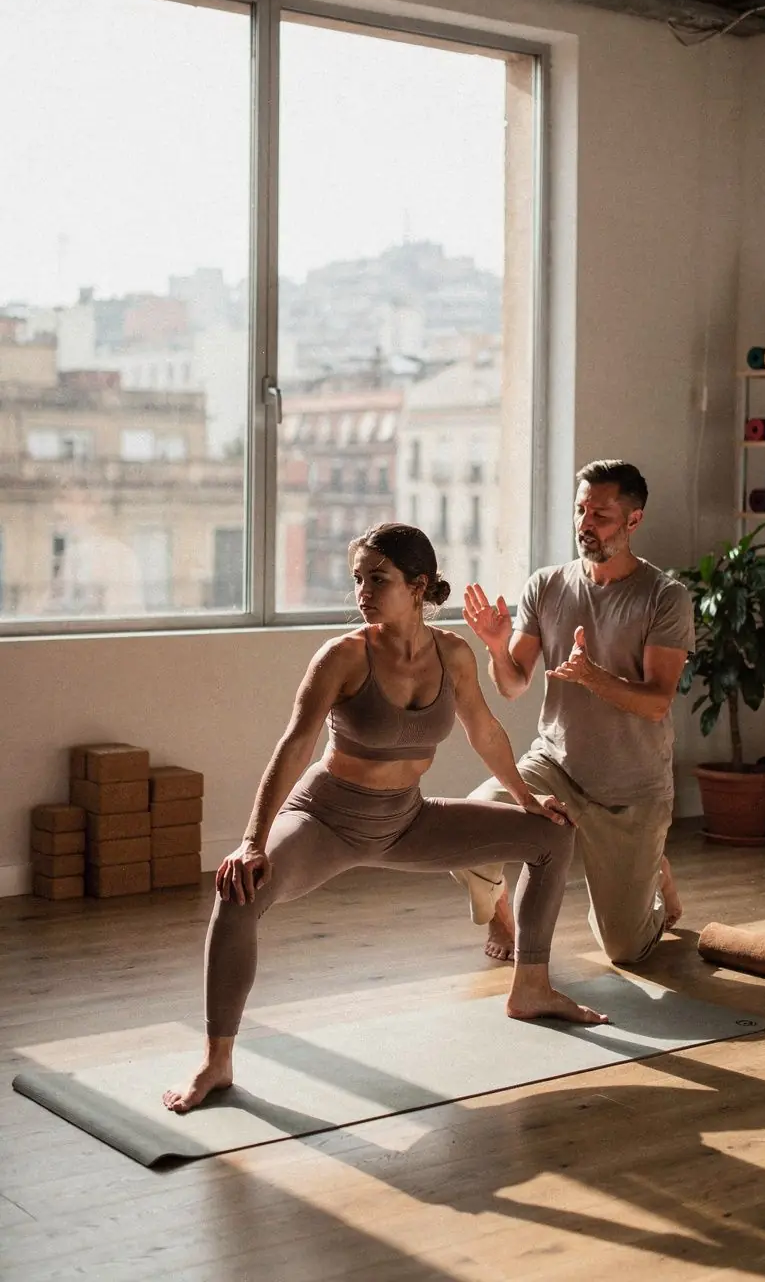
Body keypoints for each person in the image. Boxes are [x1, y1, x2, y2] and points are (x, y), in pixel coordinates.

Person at [164, 522, 608, 1115]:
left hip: (406, 820)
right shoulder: (343, 656)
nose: (363, 592)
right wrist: (252, 841)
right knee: (238, 893)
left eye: (378, 579)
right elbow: (294, 746)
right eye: (358, 579)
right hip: (325, 820)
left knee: (552, 835)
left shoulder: (453, 654)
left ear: (418, 586)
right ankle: (216, 1061)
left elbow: (485, 731)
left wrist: (529, 801)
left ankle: (531, 986)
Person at [456, 460, 695, 967]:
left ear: (633, 520)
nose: (585, 524)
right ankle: (500, 913)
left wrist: (593, 677)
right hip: (555, 766)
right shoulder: (546, 585)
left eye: (601, 515)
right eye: (580, 510)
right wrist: (497, 647)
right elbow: (513, 685)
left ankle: (652, 873)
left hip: (632, 786)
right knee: (468, 825)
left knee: (625, 949)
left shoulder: (665, 597)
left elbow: (657, 701)